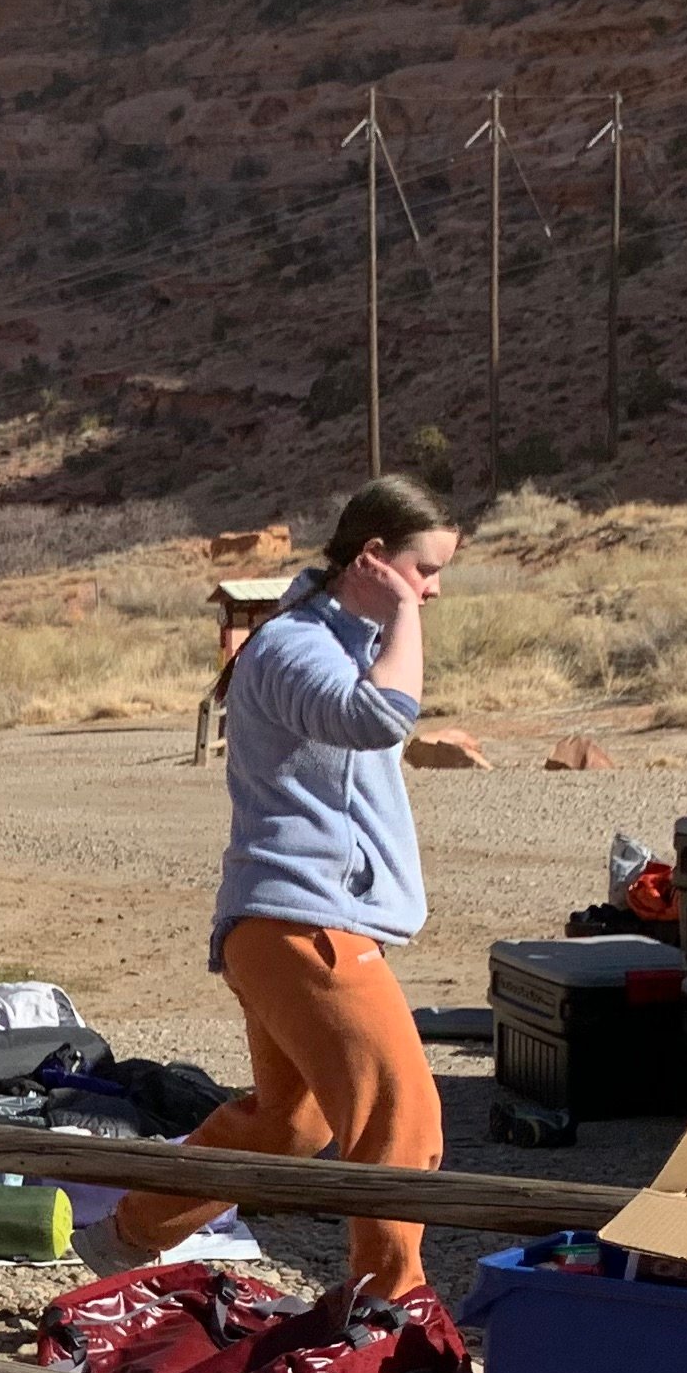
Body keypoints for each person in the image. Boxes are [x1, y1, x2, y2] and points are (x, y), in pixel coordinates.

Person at [104, 475, 461, 1297]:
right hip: (303, 924)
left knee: (289, 1121)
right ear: (373, 559)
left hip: (278, 925)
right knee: (401, 1116)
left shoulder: (326, 641)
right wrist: (403, 615)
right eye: (424, 570)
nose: (434, 590)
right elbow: (379, 719)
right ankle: (390, 1307)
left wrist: (393, 613)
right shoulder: (301, 645)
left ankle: (128, 1232)